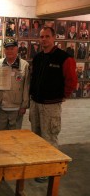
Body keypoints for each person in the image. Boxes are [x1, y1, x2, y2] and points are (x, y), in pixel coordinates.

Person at [30, 26, 77, 182]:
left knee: (49, 137)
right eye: (42, 36)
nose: (44, 39)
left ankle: (50, 171)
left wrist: (64, 96)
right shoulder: (38, 58)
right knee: (36, 137)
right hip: (36, 104)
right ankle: (39, 167)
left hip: (51, 106)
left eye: (47, 36)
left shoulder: (64, 58)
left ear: (54, 37)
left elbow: (71, 80)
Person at [0, 38, 29, 130]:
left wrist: (24, 106)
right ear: (4, 50)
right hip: (1, 106)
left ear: (17, 49)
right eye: (7, 48)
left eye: (12, 48)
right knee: (1, 134)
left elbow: (26, 88)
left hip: (16, 107)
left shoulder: (24, 65)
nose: (9, 51)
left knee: (14, 136)